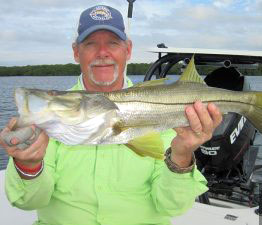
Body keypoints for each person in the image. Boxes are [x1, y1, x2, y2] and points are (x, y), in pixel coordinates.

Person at [0, 5, 222, 225]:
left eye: (113, 43)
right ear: (76, 52)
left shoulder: (164, 109)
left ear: (128, 49)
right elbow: (27, 201)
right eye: (90, 44)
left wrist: (181, 156)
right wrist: (28, 166)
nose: (102, 53)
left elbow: (172, 206)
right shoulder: (52, 114)